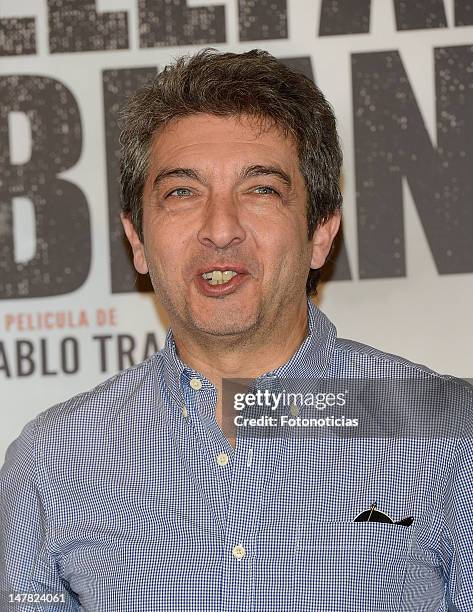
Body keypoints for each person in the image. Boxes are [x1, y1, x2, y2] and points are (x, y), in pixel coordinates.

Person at [1, 48, 472, 612]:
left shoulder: (449, 431)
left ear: (321, 233)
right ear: (137, 241)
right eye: (182, 191)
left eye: (261, 189)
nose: (220, 229)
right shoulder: (53, 461)